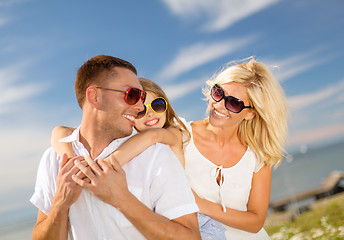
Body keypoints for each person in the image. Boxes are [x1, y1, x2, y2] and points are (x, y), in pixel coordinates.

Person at [30, 55, 201, 240]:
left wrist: (121, 199)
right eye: (132, 95)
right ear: (94, 96)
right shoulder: (53, 159)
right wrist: (60, 205)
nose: (139, 106)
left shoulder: (156, 155)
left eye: (142, 97)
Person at [51, 77, 226, 240]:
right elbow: (59, 131)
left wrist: (97, 169)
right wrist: (74, 160)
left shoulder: (171, 134)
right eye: (141, 111)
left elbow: (150, 137)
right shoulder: (127, 142)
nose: (150, 114)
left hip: (197, 226)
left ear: (166, 106)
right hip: (157, 223)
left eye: (157, 105)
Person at [183, 58, 288, 239]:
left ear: (250, 113)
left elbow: (255, 222)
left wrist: (200, 204)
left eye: (234, 103)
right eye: (218, 92)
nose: (219, 105)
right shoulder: (181, 136)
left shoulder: (258, 155)